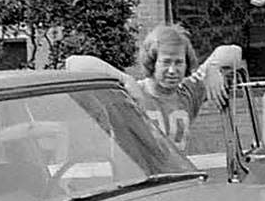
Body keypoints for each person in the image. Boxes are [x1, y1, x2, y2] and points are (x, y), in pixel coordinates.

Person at [67, 27, 239, 154]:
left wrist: (213, 67)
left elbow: (233, 52)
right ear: (152, 62)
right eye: (166, 62)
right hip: (137, 190)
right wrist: (125, 79)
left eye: (178, 62)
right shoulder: (129, 94)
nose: (172, 70)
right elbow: (74, 63)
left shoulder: (188, 92)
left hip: (177, 184)